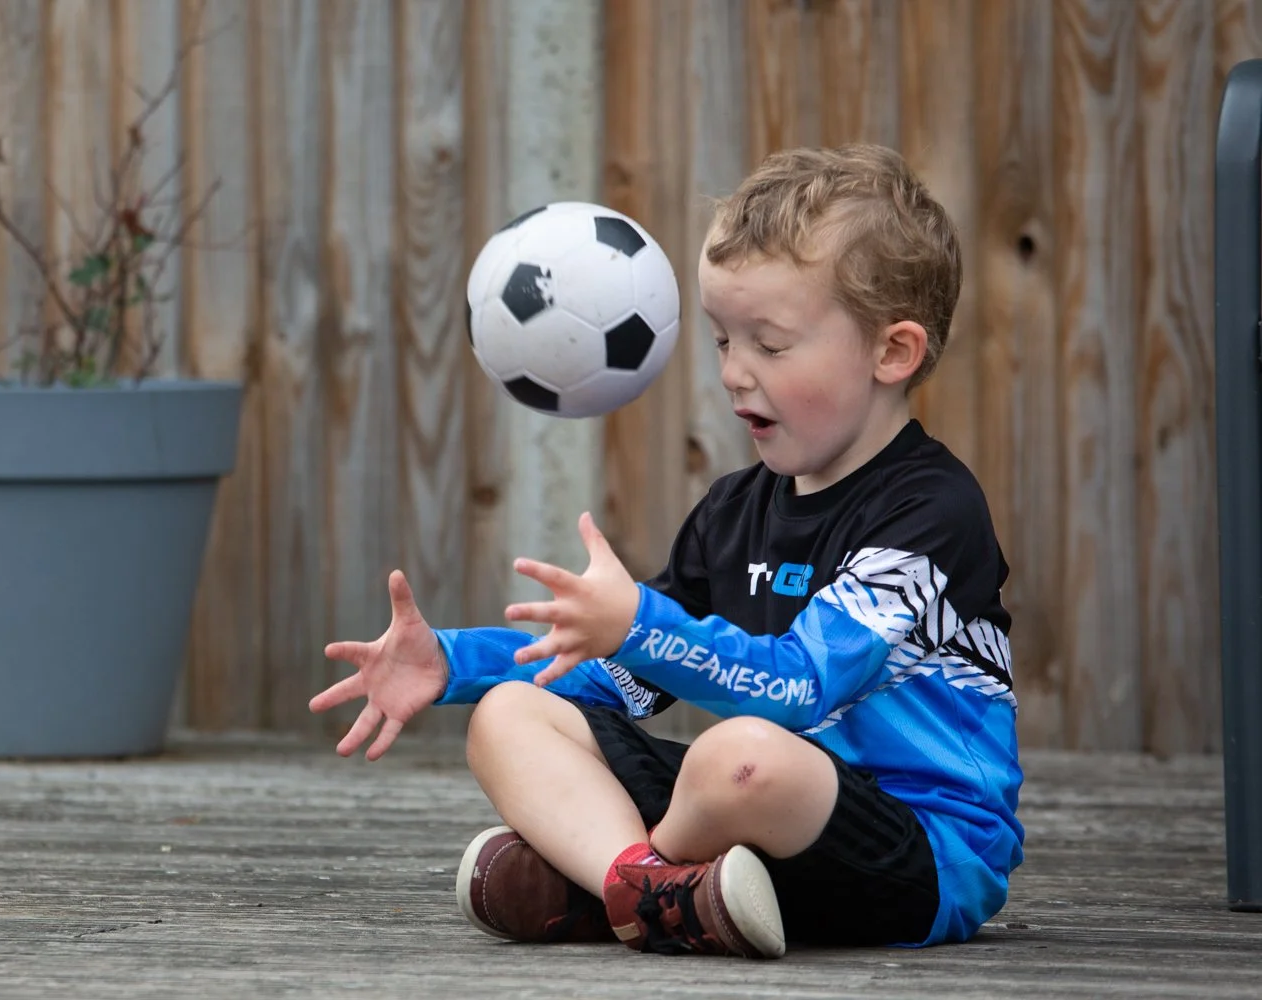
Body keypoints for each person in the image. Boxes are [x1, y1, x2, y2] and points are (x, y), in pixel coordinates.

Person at [309, 142, 1024, 959]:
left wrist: (638, 621)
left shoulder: (930, 511)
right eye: (723, 341)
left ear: (892, 352)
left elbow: (796, 689)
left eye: (771, 344)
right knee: (508, 716)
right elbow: (618, 680)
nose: (734, 374)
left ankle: (608, 887)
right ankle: (653, 885)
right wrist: (452, 663)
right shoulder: (732, 511)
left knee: (741, 754)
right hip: (747, 843)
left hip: (916, 857)